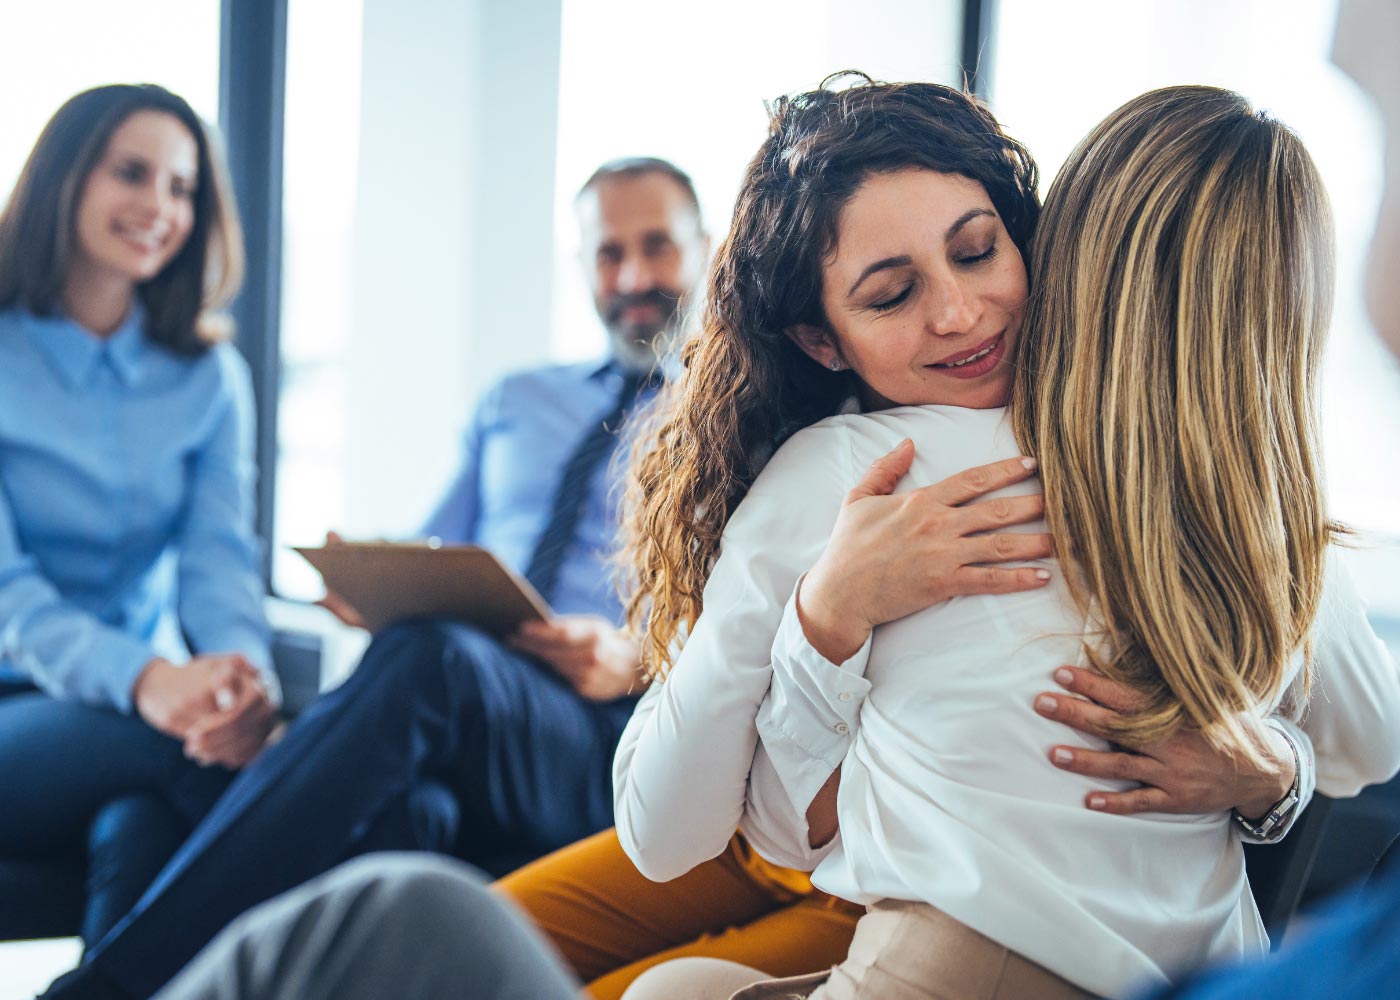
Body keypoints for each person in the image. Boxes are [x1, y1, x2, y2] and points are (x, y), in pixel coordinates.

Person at [612, 79, 1400, 1000]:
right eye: (894, 294)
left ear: (1047, 244)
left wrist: (823, 613)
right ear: (819, 342)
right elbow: (1375, 746)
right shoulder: (1256, 504)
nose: (958, 314)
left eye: (979, 252)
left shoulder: (854, 475)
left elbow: (671, 833)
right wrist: (1272, 770)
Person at [42, 156, 719, 1000]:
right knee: (411, 809)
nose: (634, 276)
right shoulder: (516, 400)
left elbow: (751, 625)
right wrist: (373, 574)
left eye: (657, 246)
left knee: (428, 660)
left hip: (615, 726)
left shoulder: (735, 416)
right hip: (479, 695)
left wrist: (634, 654)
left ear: (707, 247)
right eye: (608, 254)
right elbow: (442, 545)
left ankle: (101, 992)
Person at [0, 84, 278, 950]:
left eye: (183, 188)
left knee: (143, 819)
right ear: (64, 179)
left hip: (134, 719)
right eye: (133, 173)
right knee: (179, 757)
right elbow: (8, 596)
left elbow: (218, 560)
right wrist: (150, 682)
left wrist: (243, 680)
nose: (160, 207)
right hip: (32, 703)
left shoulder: (208, 378)